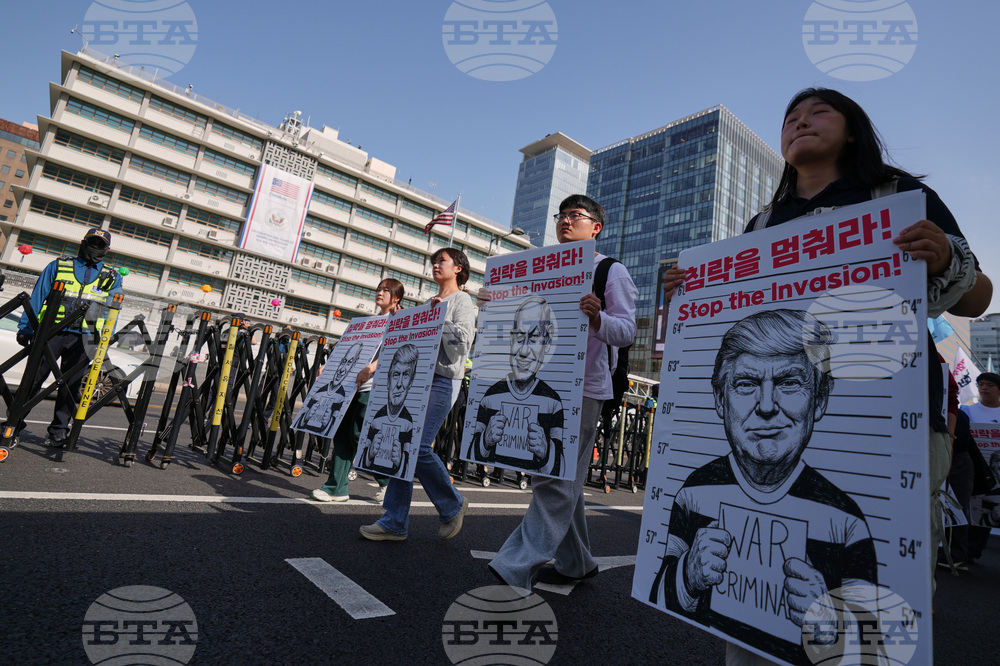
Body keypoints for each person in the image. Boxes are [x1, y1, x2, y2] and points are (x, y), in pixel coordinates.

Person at [661, 88, 990, 665]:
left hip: (894, 416)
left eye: (818, 113)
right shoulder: (761, 223)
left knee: (897, 587)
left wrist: (943, 257)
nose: (800, 123)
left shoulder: (901, 194)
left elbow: (980, 298)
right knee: (751, 615)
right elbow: (736, 312)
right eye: (790, 118)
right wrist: (690, 289)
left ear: (854, 131)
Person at [649, 310, 877, 665]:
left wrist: (830, 625)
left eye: (789, 383)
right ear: (720, 400)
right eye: (746, 384)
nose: (767, 406)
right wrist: (687, 575)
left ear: (819, 400)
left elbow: (871, 649)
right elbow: (657, 593)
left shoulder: (846, 524)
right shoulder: (693, 493)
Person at [489, 194, 637, 588]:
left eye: (576, 216)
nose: (566, 221)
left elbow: (627, 331)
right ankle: (577, 561)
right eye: (562, 215)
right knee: (558, 474)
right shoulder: (541, 270)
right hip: (542, 383)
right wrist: (494, 302)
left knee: (554, 478)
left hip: (584, 387)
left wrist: (597, 317)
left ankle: (515, 564)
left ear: (596, 227)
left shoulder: (609, 270)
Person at [359, 248, 476, 541]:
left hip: (444, 381)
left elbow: (463, 345)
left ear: (458, 268)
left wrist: (439, 317)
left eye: (442, 261)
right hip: (417, 379)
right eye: (434, 261)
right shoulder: (428, 302)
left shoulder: (462, 300)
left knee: (419, 445)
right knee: (404, 442)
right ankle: (394, 521)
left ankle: (452, 504)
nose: (436, 265)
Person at [14, 227, 124, 447]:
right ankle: (13, 423)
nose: (95, 247)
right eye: (91, 242)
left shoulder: (112, 277)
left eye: (100, 245)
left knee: (71, 386)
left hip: (85, 338)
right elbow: (37, 297)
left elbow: (113, 310)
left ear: (107, 250)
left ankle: (58, 431)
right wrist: (26, 327)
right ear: (82, 242)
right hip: (51, 332)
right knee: (34, 378)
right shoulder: (58, 265)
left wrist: (105, 340)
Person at [311, 278, 404, 503]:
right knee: (342, 433)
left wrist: (371, 368)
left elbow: (397, 352)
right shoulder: (369, 322)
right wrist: (329, 366)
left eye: (385, 290)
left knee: (361, 435)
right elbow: (350, 349)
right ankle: (336, 487)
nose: (380, 293)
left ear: (396, 298)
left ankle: (387, 482)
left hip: (377, 387)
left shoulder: (399, 321)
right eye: (378, 289)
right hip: (352, 386)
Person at [470, 295, 565, 476]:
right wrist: (484, 440)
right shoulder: (490, 396)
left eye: (535, 338)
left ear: (546, 342)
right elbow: (470, 449)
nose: (523, 351)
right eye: (519, 337)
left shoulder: (553, 403)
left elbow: (561, 468)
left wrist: (546, 451)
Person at [357, 344, 418, 477]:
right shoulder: (378, 416)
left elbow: (407, 465)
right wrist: (369, 454)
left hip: (367, 385)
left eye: (406, 375)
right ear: (389, 378)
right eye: (396, 375)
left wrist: (399, 462)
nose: (399, 384)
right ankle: (337, 487)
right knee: (348, 435)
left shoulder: (409, 422)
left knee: (356, 434)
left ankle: (385, 484)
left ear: (411, 382)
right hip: (355, 385)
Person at [296, 342, 362, 435]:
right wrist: (306, 416)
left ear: (355, 364)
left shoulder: (342, 396)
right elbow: (301, 420)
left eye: (349, 363)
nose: (341, 369)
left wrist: (329, 422)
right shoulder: (321, 391)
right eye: (343, 361)